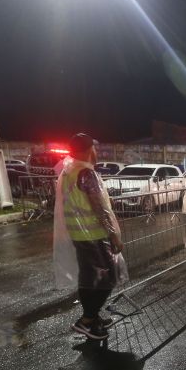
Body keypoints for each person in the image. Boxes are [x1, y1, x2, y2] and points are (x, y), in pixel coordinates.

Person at [53, 133, 126, 340]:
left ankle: (92, 318)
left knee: (90, 278)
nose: (96, 152)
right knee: (108, 277)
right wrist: (113, 235)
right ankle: (87, 320)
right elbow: (99, 208)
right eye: (94, 148)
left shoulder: (68, 171)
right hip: (93, 235)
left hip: (79, 234)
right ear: (87, 150)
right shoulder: (85, 173)